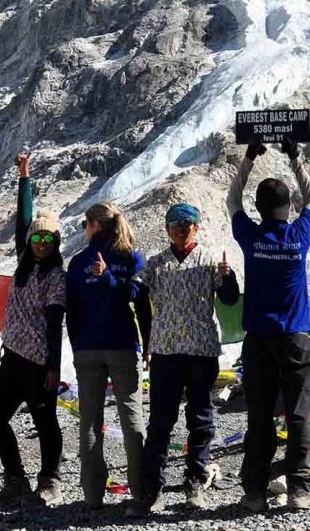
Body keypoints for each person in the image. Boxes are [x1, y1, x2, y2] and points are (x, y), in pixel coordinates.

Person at [226, 137, 310, 513]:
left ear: (259, 208)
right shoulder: (299, 236)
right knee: (298, 414)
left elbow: (233, 200)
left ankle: (254, 492)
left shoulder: (251, 237)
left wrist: (249, 157)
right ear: (288, 207)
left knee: (259, 417)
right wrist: (295, 158)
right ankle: (300, 488)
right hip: (296, 339)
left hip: (259, 341)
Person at [129, 203, 240, 516]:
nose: (180, 227)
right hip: (164, 352)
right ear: (166, 229)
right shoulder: (154, 264)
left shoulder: (209, 261)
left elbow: (230, 298)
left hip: (202, 352)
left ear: (197, 227)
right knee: (160, 421)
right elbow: (134, 291)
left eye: (187, 222)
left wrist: (227, 277)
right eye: (174, 223)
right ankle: (153, 490)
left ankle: (195, 482)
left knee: (201, 419)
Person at [0, 153, 66, 506]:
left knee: (45, 422)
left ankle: (50, 482)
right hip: (13, 358)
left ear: (56, 242)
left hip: (38, 363)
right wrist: (25, 177)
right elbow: (24, 219)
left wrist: (53, 367)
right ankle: (15, 479)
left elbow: (55, 324)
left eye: (48, 239)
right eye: (37, 238)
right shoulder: (23, 263)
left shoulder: (56, 278)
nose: (42, 243)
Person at [66, 202, 151, 510]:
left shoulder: (77, 263)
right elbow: (140, 302)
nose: (84, 229)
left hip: (87, 348)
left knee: (89, 421)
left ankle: (92, 496)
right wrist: (148, 343)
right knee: (131, 418)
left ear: (95, 225)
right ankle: (141, 492)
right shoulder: (132, 258)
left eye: (85, 224)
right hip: (123, 344)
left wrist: (77, 345)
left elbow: (71, 310)